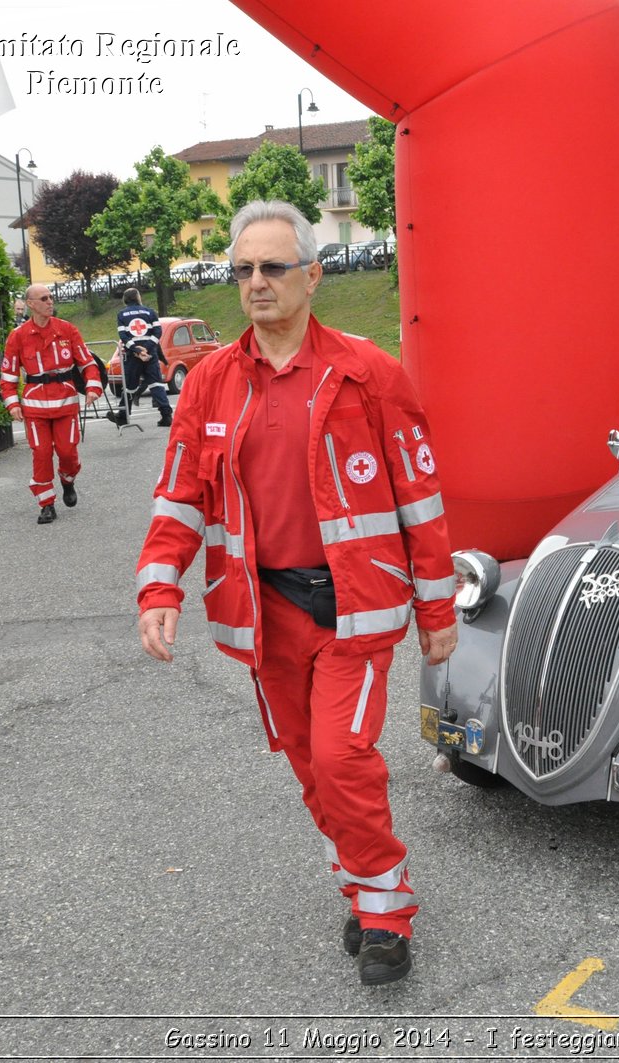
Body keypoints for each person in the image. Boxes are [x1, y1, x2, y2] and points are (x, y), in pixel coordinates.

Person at [134, 200, 458, 986]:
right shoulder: (210, 382)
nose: (256, 283)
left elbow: (419, 494)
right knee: (309, 764)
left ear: (313, 276)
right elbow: (180, 496)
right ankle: (361, 874)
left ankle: (385, 909)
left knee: (343, 757)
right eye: (243, 270)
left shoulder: (369, 373)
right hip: (264, 611)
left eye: (273, 267)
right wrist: (159, 583)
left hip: (357, 605)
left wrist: (437, 607)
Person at [0, 284, 103, 524]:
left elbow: (87, 363)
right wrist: (12, 403)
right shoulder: (18, 336)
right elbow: (8, 376)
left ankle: (68, 480)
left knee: (67, 452)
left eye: (51, 297)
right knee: (42, 453)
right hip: (35, 407)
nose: (50, 302)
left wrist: (93, 387)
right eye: (44, 298)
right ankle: (46, 504)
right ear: (31, 304)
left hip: (65, 403)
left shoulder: (67, 330)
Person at [114, 288, 172, 427]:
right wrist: (146, 348)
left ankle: (122, 415)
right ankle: (166, 415)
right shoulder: (150, 312)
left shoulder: (122, 314)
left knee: (129, 387)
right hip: (150, 354)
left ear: (125, 299)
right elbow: (158, 332)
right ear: (138, 297)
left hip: (133, 356)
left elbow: (123, 336)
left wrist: (137, 350)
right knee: (156, 384)